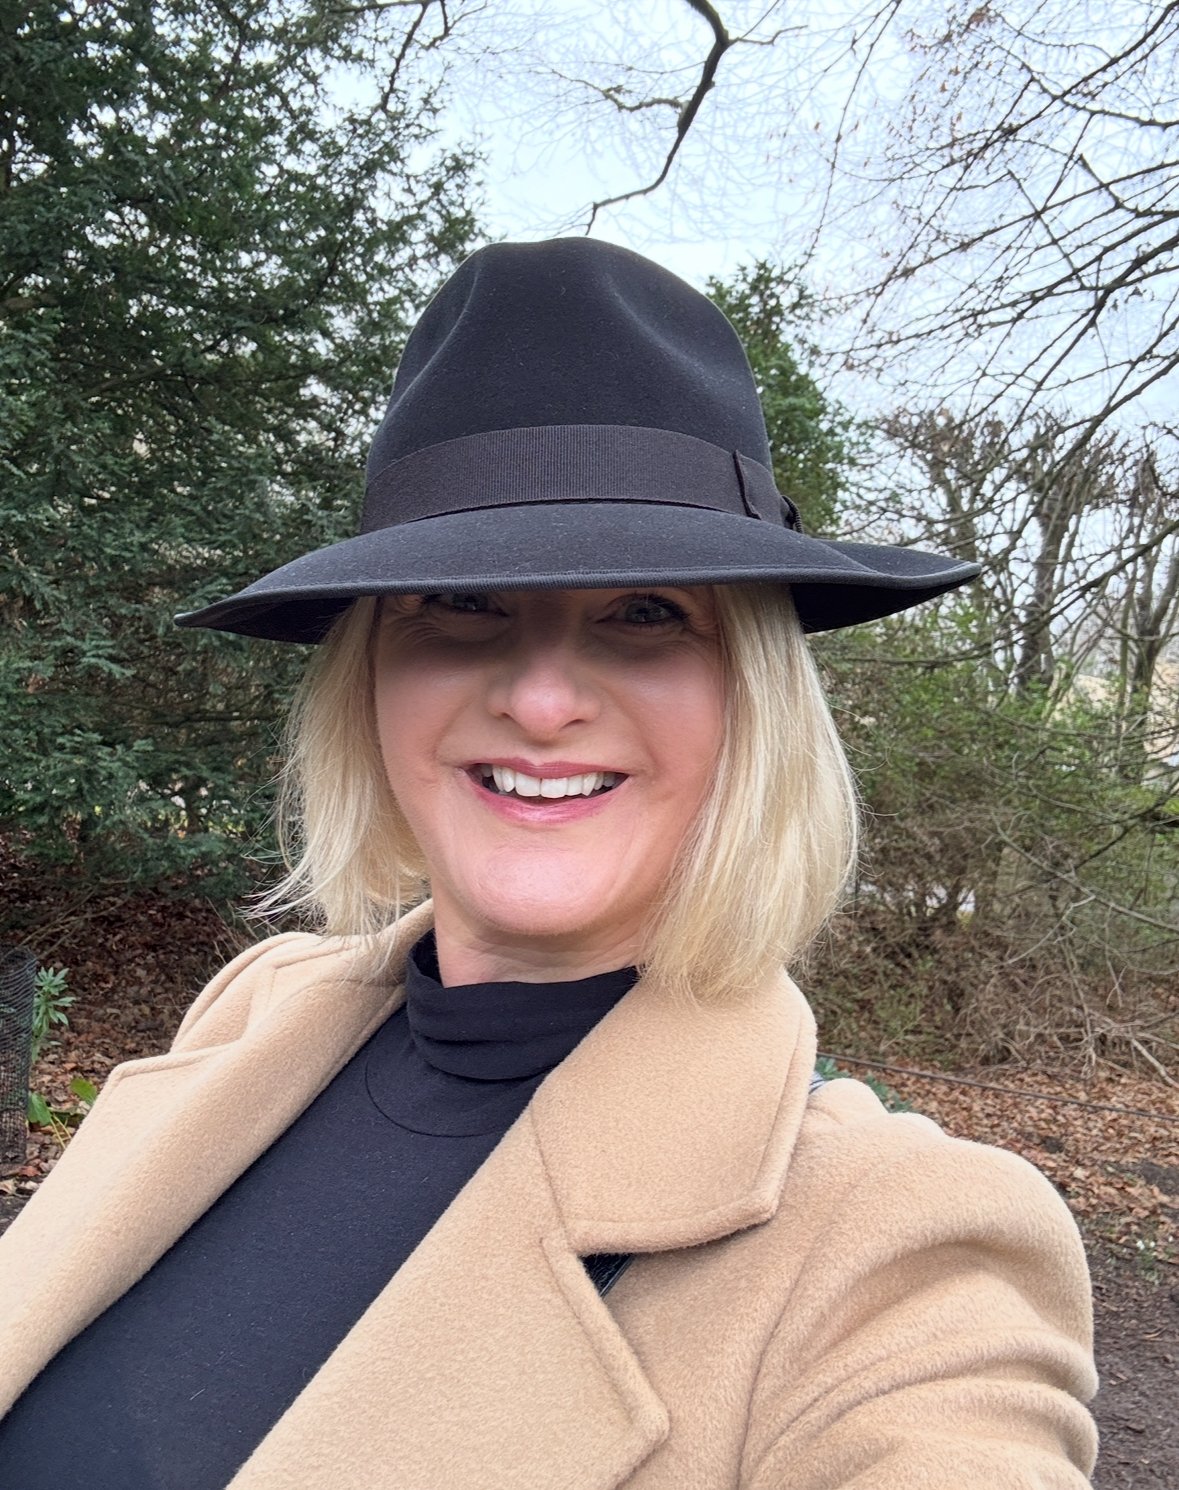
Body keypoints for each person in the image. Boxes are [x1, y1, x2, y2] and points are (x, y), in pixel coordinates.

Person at [0, 238, 1097, 1488]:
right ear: (370, 680)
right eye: (460, 605)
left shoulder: (901, 1250)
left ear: (753, 699)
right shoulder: (256, 1009)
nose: (537, 699)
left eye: (646, 614)